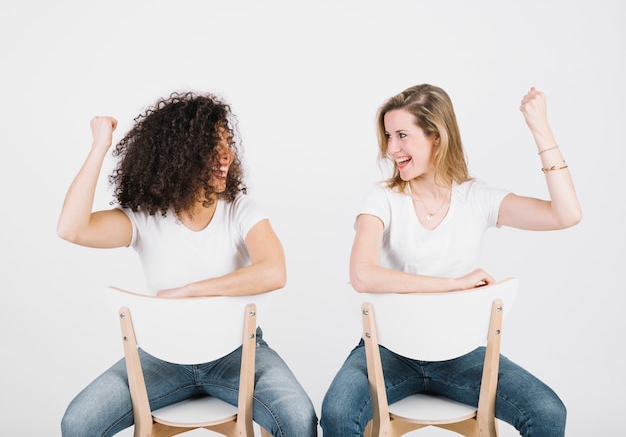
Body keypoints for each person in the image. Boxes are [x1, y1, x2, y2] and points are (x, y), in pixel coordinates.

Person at [320, 84, 581, 437]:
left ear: (436, 138)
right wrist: (453, 286)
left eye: (401, 135)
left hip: (462, 355)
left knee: (547, 411)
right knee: (337, 412)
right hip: (388, 352)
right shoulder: (383, 198)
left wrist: (540, 128)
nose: (391, 149)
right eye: (387, 136)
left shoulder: (477, 198)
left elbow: (566, 215)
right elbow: (363, 275)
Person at [58, 91, 318, 437]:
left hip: (237, 353)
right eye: (212, 145)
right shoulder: (144, 218)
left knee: (298, 419)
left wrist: (191, 291)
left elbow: (274, 271)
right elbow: (71, 229)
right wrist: (99, 147)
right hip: (163, 358)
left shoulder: (240, 209)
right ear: (178, 155)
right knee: (79, 422)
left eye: (228, 143)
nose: (226, 155)